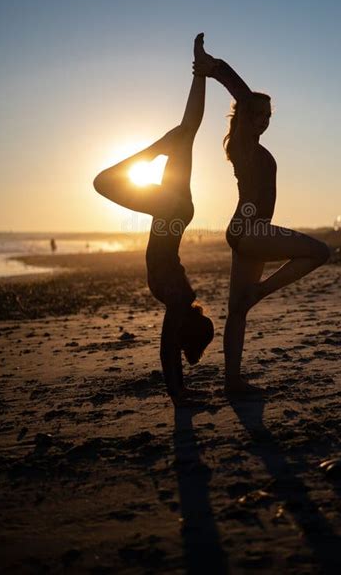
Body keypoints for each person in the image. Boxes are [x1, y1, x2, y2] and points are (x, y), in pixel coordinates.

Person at [195, 36, 330, 395]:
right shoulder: (242, 146)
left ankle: (232, 381)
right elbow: (242, 96)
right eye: (259, 115)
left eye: (269, 117)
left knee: (237, 310)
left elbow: (247, 103)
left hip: (250, 230)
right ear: (246, 117)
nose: (265, 122)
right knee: (319, 251)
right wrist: (216, 68)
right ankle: (261, 292)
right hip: (248, 228)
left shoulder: (256, 147)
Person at [93, 35, 214, 407]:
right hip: (172, 212)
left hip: (174, 212)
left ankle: (197, 77)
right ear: (184, 330)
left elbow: (168, 348)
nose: (175, 340)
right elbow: (167, 348)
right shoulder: (177, 297)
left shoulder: (181, 298)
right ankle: (200, 72)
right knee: (183, 134)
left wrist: (180, 392)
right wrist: (178, 394)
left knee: (184, 133)